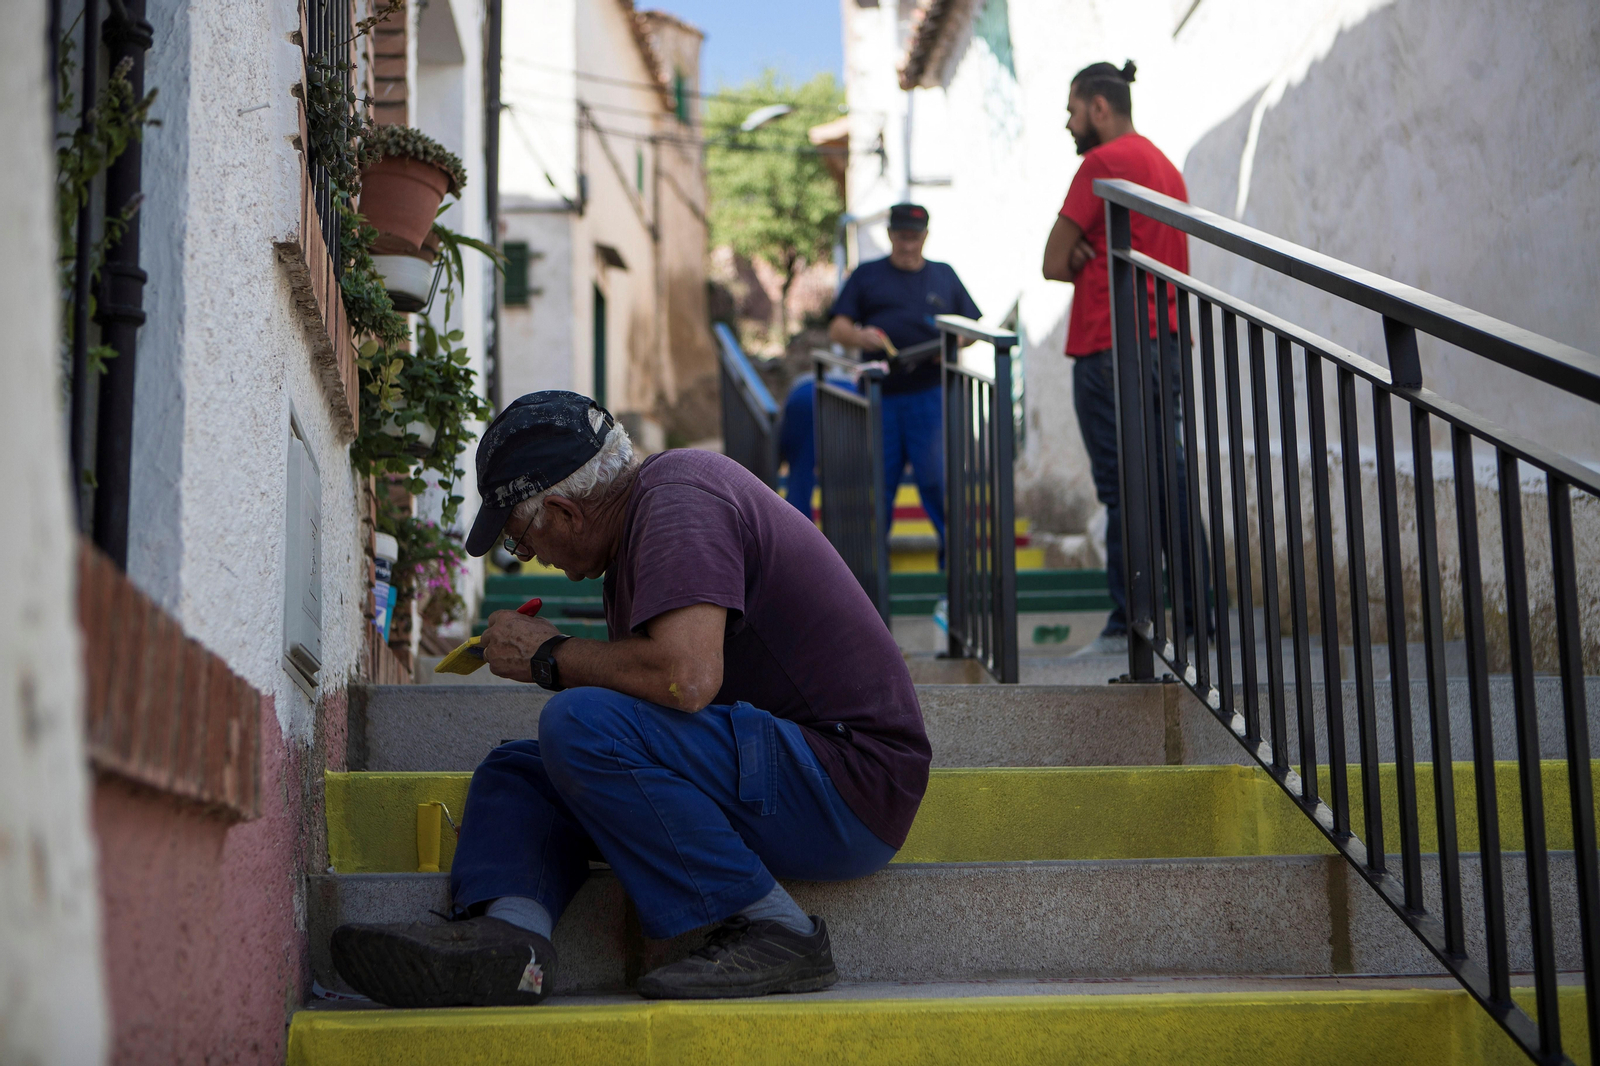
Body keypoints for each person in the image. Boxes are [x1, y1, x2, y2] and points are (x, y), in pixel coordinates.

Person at [330, 391, 930, 1006]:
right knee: (521, 770)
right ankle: (510, 942)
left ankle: (778, 929)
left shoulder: (679, 498)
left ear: (564, 510)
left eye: (519, 537)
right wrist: (559, 659)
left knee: (579, 725)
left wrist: (550, 654)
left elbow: (686, 679)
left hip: (852, 783)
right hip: (782, 769)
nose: (528, 555)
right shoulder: (642, 529)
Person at [1041, 60, 1206, 658]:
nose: (1069, 122)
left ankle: (1127, 623)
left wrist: (1083, 250)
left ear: (1099, 107)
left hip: (1110, 346)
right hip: (1165, 343)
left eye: (1073, 109)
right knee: (1170, 477)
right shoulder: (1165, 166)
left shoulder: (1102, 164)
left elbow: (1053, 260)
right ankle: (1197, 615)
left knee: (1121, 487)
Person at [828, 203, 981, 559]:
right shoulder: (867, 275)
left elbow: (972, 327)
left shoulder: (944, 275)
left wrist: (952, 343)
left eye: (914, 238)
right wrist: (859, 336)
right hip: (878, 395)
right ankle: (868, 576)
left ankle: (956, 569)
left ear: (925, 236)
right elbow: (837, 327)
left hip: (929, 393)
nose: (907, 245)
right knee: (876, 489)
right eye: (900, 237)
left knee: (937, 481)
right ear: (890, 236)